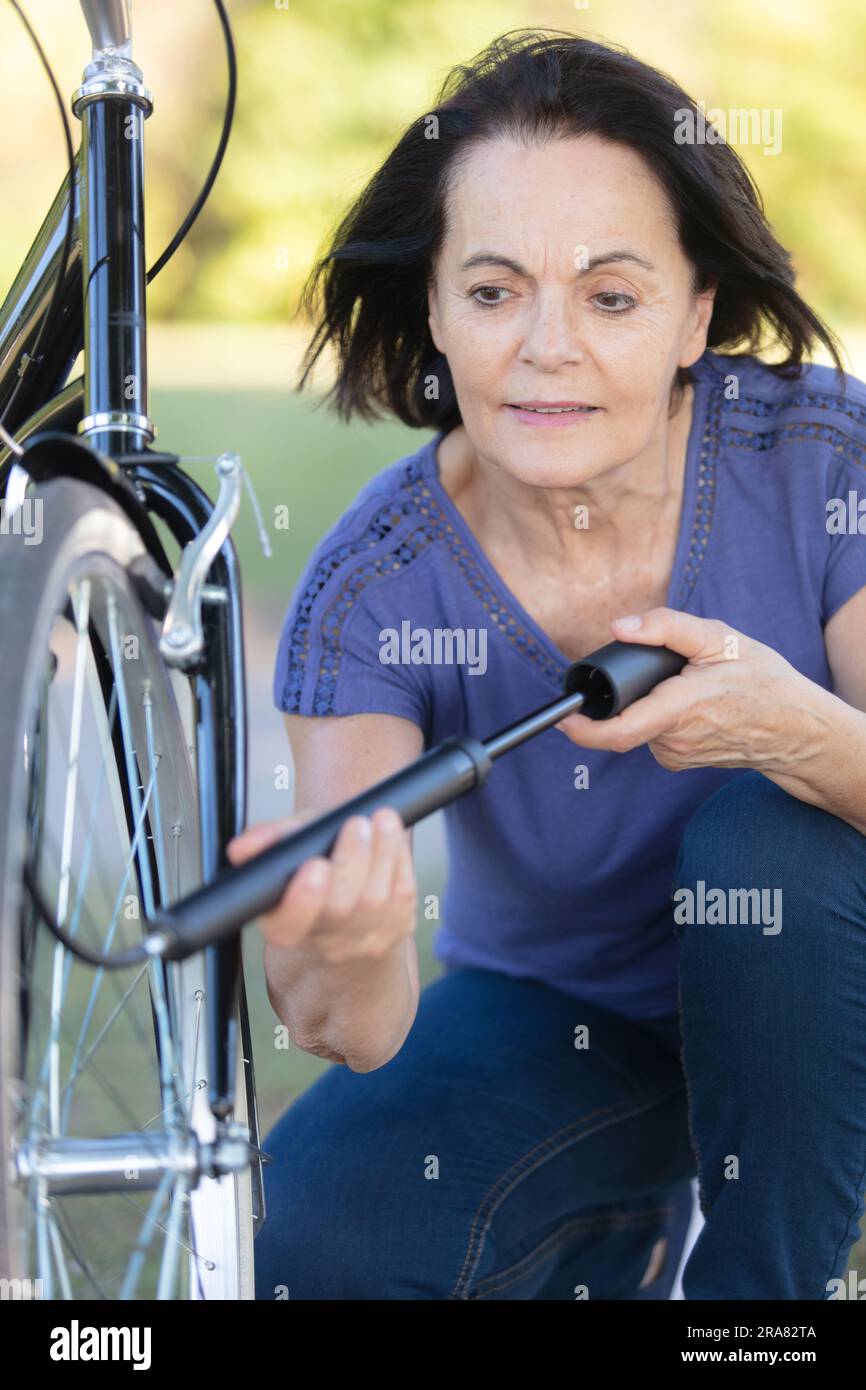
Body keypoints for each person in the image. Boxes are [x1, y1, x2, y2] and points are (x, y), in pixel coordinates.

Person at [229, 30, 866, 1299]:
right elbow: (340, 1026)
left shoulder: (821, 466)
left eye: (610, 296)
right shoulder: (370, 589)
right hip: (576, 1022)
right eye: (492, 289)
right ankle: (615, 1221)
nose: (546, 347)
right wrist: (344, 950)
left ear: (697, 314)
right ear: (432, 308)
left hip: (835, 994)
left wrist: (788, 733)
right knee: (316, 1232)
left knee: (769, 843)